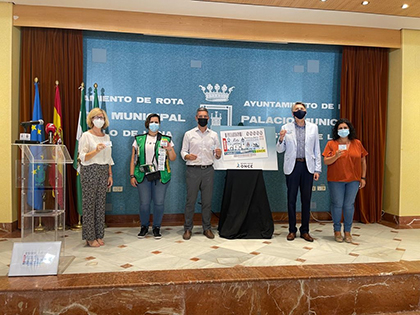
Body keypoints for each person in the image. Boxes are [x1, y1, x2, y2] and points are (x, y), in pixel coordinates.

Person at [276, 102, 321, 242]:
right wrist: (281, 138)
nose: (300, 111)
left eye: (302, 109)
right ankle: (291, 230)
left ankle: (305, 230)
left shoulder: (313, 128)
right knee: (291, 200)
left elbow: (316, 150)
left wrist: (317, 169)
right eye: (297, 109)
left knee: (306, 200)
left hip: (307, 166)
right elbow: (279, 150)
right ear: (292, 113)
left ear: (306, 111)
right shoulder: (285, 128)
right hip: (292, 166)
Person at [130, 114, 176, 239]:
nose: (154, 124)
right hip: (143, 175)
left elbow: (173, 158)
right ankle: (144, 226)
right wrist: (132, 175)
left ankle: (157, 227)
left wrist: (169, 148)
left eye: (156, 122)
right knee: (144, 203)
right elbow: (133, 159)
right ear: (147, 123)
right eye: (152, 122)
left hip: (161, 176)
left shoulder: (166, 139)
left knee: (159, 203)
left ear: (159, 124)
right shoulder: (139, 139)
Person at [322, 118, 367, 243]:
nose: (343, 130)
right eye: (340, 128)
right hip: (336, 180)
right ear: (336, 131)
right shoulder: (331, 144)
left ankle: (347, 231)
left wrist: (363, 177)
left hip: (353, 180)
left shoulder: (357, 143)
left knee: (348, 205)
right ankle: (337, 231)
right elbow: (326, 161)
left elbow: (363, 160)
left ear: (349, 129)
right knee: (337, 205)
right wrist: (335, 156)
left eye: (345, 128)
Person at [180, 107, 222, 240]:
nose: (202, 118)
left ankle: (207, 228)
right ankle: (187, 229)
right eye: (200, 116)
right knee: (190, 201)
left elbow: (217, 154)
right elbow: (183, 152)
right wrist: (187, 156)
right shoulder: (189, 134)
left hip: (208, 170)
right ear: (196, 118)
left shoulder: (214, 135)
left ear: (208, 118)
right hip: (193, 170)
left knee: (207, 201)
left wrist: (219, 154)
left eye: (205, 116)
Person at [78, 108, 114, 247]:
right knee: (89, 205)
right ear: (91, 119)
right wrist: (96, 150)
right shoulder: (86, 136)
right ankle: (89, 237)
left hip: (104, 170)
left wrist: (110, 174)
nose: (100, 119)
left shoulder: (106, 137)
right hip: (90, 170)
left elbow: (109, 158)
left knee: (100, 205)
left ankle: (99, 234)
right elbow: (82, 157)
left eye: (102, 117)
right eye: (97, 117)